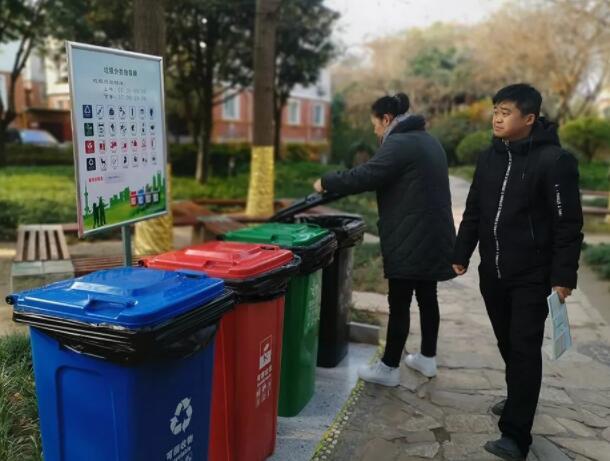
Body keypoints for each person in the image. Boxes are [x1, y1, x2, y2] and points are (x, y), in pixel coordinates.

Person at [452, 83, 583, 461]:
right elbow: (474, 209)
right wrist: (461, 253)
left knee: (524, 348)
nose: (497, 118)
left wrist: (563, 277)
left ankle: (515, 435)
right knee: (508, 343)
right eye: (495, 110)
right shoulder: (489, 157)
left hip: (532, 275)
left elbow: (568, 224)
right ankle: (518, 397)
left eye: (505, 112)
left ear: (529, 118)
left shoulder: (555, 162)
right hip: (492, 272)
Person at [313, 93, 456, 386]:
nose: (375, 131)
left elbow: (366, 175)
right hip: (435, 234)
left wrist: (327, 181)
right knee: (428, 296)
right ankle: (427, 358)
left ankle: (389, 368)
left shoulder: (400, 143)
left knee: (399, 301)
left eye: (375, 125)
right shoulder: (429, 140)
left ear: (387, 119)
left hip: (409, 235)